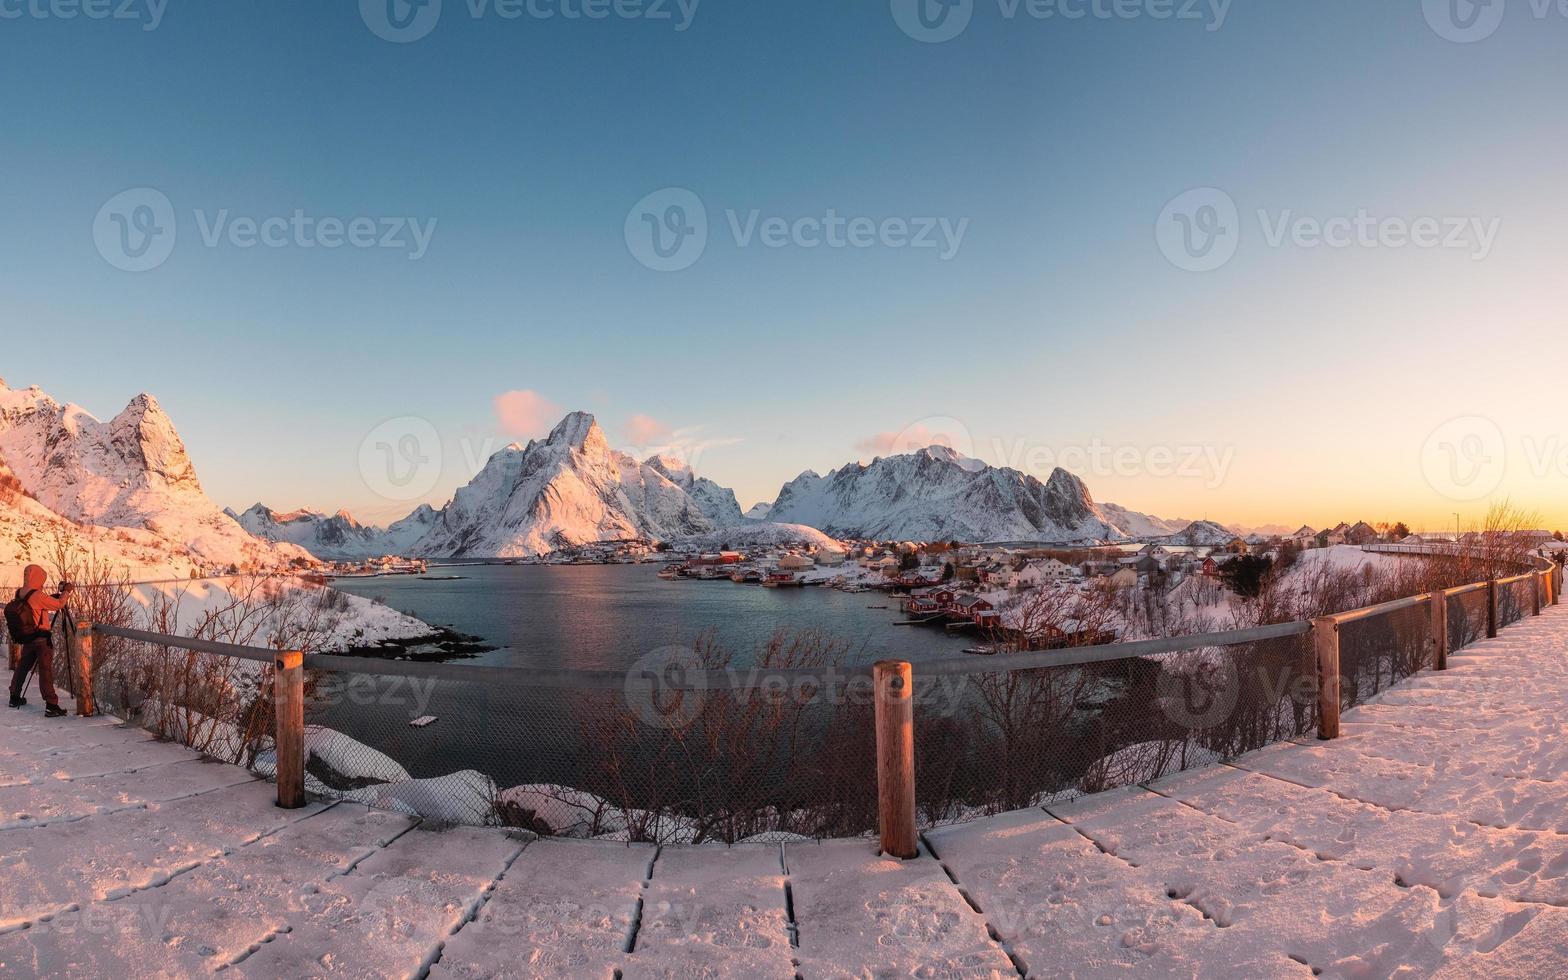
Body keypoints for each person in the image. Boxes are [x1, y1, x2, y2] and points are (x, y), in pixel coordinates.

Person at [8, 565, 74, 716]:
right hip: (41, 639)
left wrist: (51, 596)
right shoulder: (37, 595)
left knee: (23, 667)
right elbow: (59, 605)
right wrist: (66, 592)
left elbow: (36, 604)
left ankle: (14, 696)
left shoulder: (20, 592)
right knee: (45, 671)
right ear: (37, 577)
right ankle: (51, 705)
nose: (42, 583)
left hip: (28, 636)